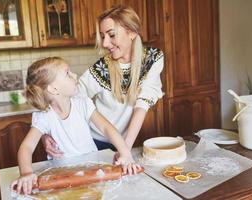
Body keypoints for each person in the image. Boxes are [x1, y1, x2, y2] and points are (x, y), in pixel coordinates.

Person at [43, 5, 164, 157]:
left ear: (132, 32)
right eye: (103, 36)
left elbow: (142, 104)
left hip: (124, 141)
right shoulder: (102, 68)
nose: (105, 43)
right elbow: (68, 96)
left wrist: (124, 149)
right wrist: (46, 132)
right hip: (94, 140)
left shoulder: (153, 59)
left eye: (111, 35)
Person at [11, 57, 140, 195]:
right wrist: (26, 173)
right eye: (68, 73)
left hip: (94, 170)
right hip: (63, 175)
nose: (75, 75)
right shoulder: (44, 116)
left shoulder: (83, 104)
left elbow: (107, 128)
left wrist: (125, 154)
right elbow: (26, 147)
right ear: (53, 89)